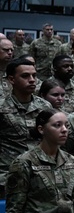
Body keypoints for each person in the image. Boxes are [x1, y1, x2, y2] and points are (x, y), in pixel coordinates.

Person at [5, 109, 74, 213]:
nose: (64, 130)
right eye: (57, 125)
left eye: (66, 125)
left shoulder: (71, 161)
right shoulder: (25, 163)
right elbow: (15, 209)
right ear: (41, 129)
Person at [1, 59, 53, 194]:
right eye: (25, 76)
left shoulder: (45, 106)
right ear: (12, 79)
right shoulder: (2, 107)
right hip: (9, 174)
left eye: (34, 76)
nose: (32, 80)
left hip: (41, 173)